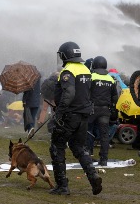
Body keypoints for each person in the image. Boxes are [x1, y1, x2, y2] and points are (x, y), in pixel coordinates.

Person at [49, 41, 102, 195]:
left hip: (69, 116)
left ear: (66, 55)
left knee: (57, 147)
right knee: (79, 148)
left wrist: (59, 113)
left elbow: (69, 93)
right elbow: (89, 93)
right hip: (83, 116)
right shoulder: (85, 69)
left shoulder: (68, 71)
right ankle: (93, 177)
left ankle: (62, 186)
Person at [86, 56, 118, 166]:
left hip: (92, 109)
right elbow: (115, 97)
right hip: (105, 110)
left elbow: (86, 93)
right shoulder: (110, 79)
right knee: (104, 135)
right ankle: (104, 159)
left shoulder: (91, 77)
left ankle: (88, 154)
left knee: (88, 131)